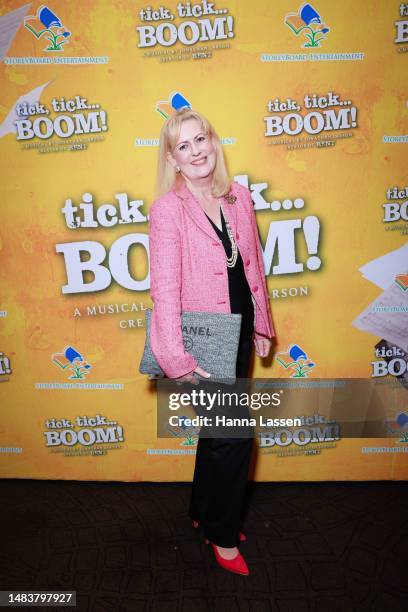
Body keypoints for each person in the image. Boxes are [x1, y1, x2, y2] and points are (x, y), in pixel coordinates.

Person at [148, 108, 275, 575]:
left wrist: (261, 325)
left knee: (218, 435)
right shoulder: (168, 210)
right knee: (234, 436)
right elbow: (163, 289)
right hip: (200, 340)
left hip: (238, 332)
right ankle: (222, 535)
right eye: (184, 146)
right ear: (173, 158)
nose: (196, 150)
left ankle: (204, 509)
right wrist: (175, 359)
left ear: (214, 143)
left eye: (201, 139)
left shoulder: (238, 197)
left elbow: (253, 270)